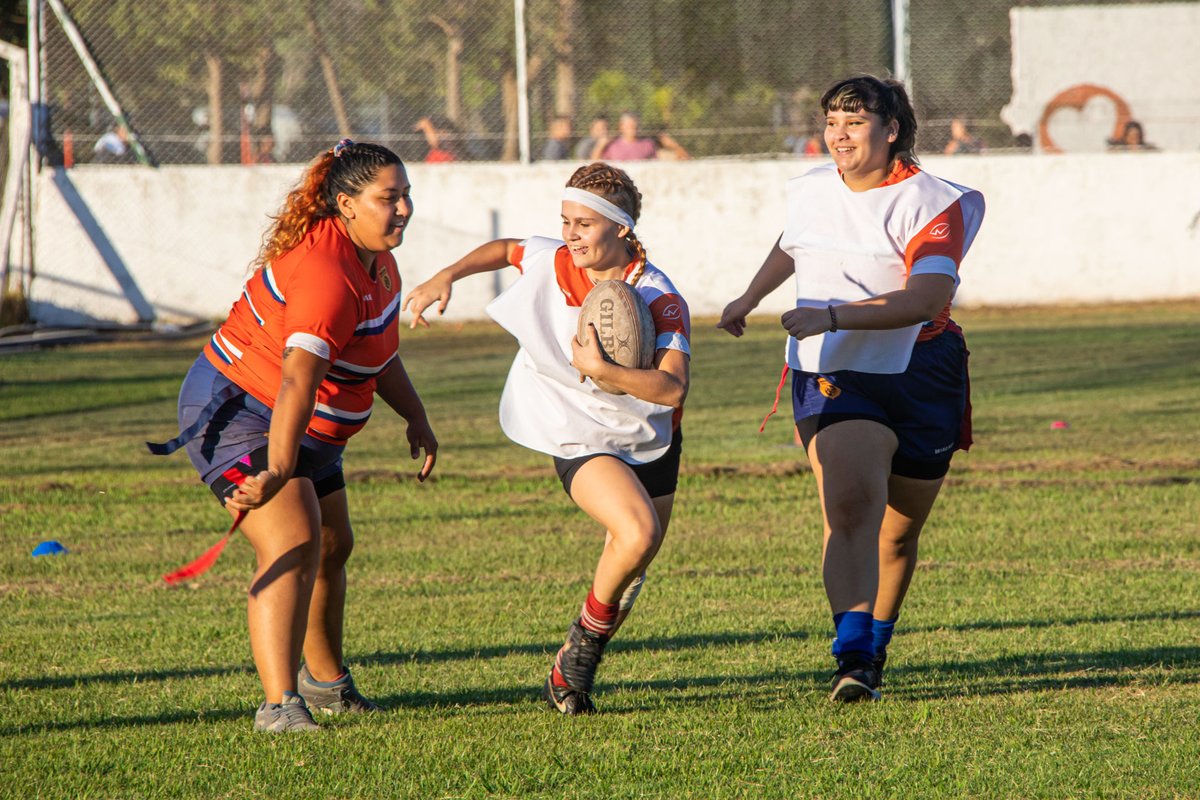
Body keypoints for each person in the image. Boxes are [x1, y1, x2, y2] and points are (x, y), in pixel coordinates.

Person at [147, 139, 438, 732]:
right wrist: (278, 469)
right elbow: (297, 381)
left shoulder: (379, 261)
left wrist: (416, 416)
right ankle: (278, 705)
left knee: (332, 544)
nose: (404, 208)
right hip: (239, 409)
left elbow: (379, 352)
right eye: (390, 198)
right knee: (293, 540)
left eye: (407, 195)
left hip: (300, 420)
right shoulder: (326, 275)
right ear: (346, 204)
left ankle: (326, 685)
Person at [717, 75, 985, 703]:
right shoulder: (812, 188)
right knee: (852, 507)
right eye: (832, 121)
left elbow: (925, 299)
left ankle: (876, 645)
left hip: (922, 371)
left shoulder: (935, 202)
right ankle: (854, 658)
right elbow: (795, 242)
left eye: (855, 122)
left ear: (891, 130)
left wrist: (833, 314)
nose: (838, 135)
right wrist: (750, 296)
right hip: (834, 370)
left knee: (897, 532)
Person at [403, 162, 691, 715]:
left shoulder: (657, 294)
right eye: (565, 221)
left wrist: (605, 370)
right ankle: (580, 656)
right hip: (571, 427)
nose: (570, 235)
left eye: (585, 224)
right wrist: (447, 274)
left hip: (647, 433)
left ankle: (569, 670)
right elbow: (505, 249)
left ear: (622, 228)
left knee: (629, 567)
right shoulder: (552, 259)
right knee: (636, 533)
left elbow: (673, 388)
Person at [592, 112, 689, 161]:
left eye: (636, 126)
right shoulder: (613, 146)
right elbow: (594, 164)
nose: (634, 129)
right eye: (630, 126)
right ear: (621, 127)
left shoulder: (648, 144)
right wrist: (600, 146)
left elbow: (684, 159)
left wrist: (674, 146)